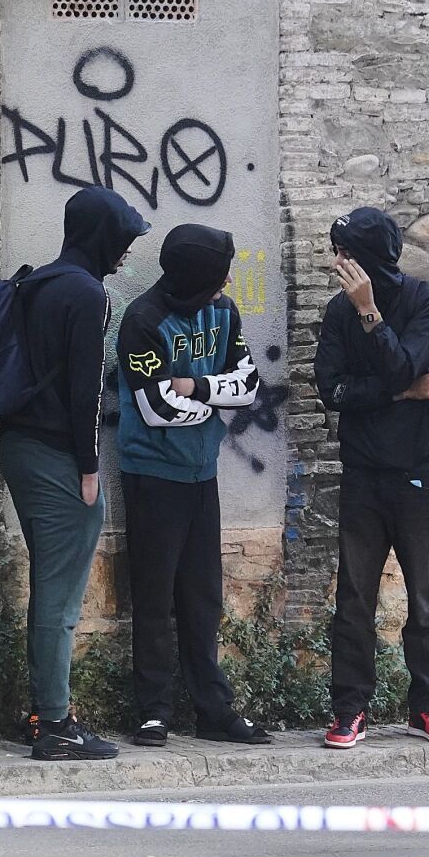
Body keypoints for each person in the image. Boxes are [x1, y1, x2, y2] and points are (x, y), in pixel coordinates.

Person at [0, 186, 150, 761]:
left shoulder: (37, 282)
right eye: (122, 241)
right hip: (58, 457)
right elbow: (85, 389)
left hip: (19, 446)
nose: (125, 254)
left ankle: (47, 710)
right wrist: (89, 469)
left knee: (50, 588)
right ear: (100, 236)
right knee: (60, 600)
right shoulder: (87, 294)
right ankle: (56, 725)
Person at [114, 224, 272, 748]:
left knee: (203, 598)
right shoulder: (143, 320)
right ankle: (154, 711)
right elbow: (157, 408)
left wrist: (196, 387)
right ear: (196, 276)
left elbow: (248, 385)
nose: (229, 277)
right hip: (152, 475)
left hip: (202, 473)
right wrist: (214, 403)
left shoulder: (222, 311)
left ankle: (213, 709)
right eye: (219, 269)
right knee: (155, 598)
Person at [313, 207, 429, 750]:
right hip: (363, 475)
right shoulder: (336, 313)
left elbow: (401, 364)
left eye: (346, 254)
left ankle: (427, 707)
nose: (338, 264)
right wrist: (401, 392)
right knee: (354, 598)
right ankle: (350, 709)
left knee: (425, 597)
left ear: (369, 258)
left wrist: (371, 314)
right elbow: (332, 391)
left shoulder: (426, 303)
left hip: (419, 473)